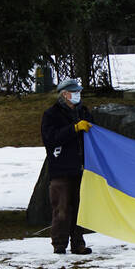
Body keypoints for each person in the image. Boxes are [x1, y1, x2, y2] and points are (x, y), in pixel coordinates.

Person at [39, 79, 95, 255]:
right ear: (64, 94)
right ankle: (59, 245)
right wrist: (74, 129)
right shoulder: (51, 115)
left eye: (79, 91)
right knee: (62, 210)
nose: (78, 95)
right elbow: (51, 138)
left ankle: (78, 244)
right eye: (74, 92)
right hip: (61, 171)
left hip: (81, 169)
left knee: (80, 209)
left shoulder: (84, 112)